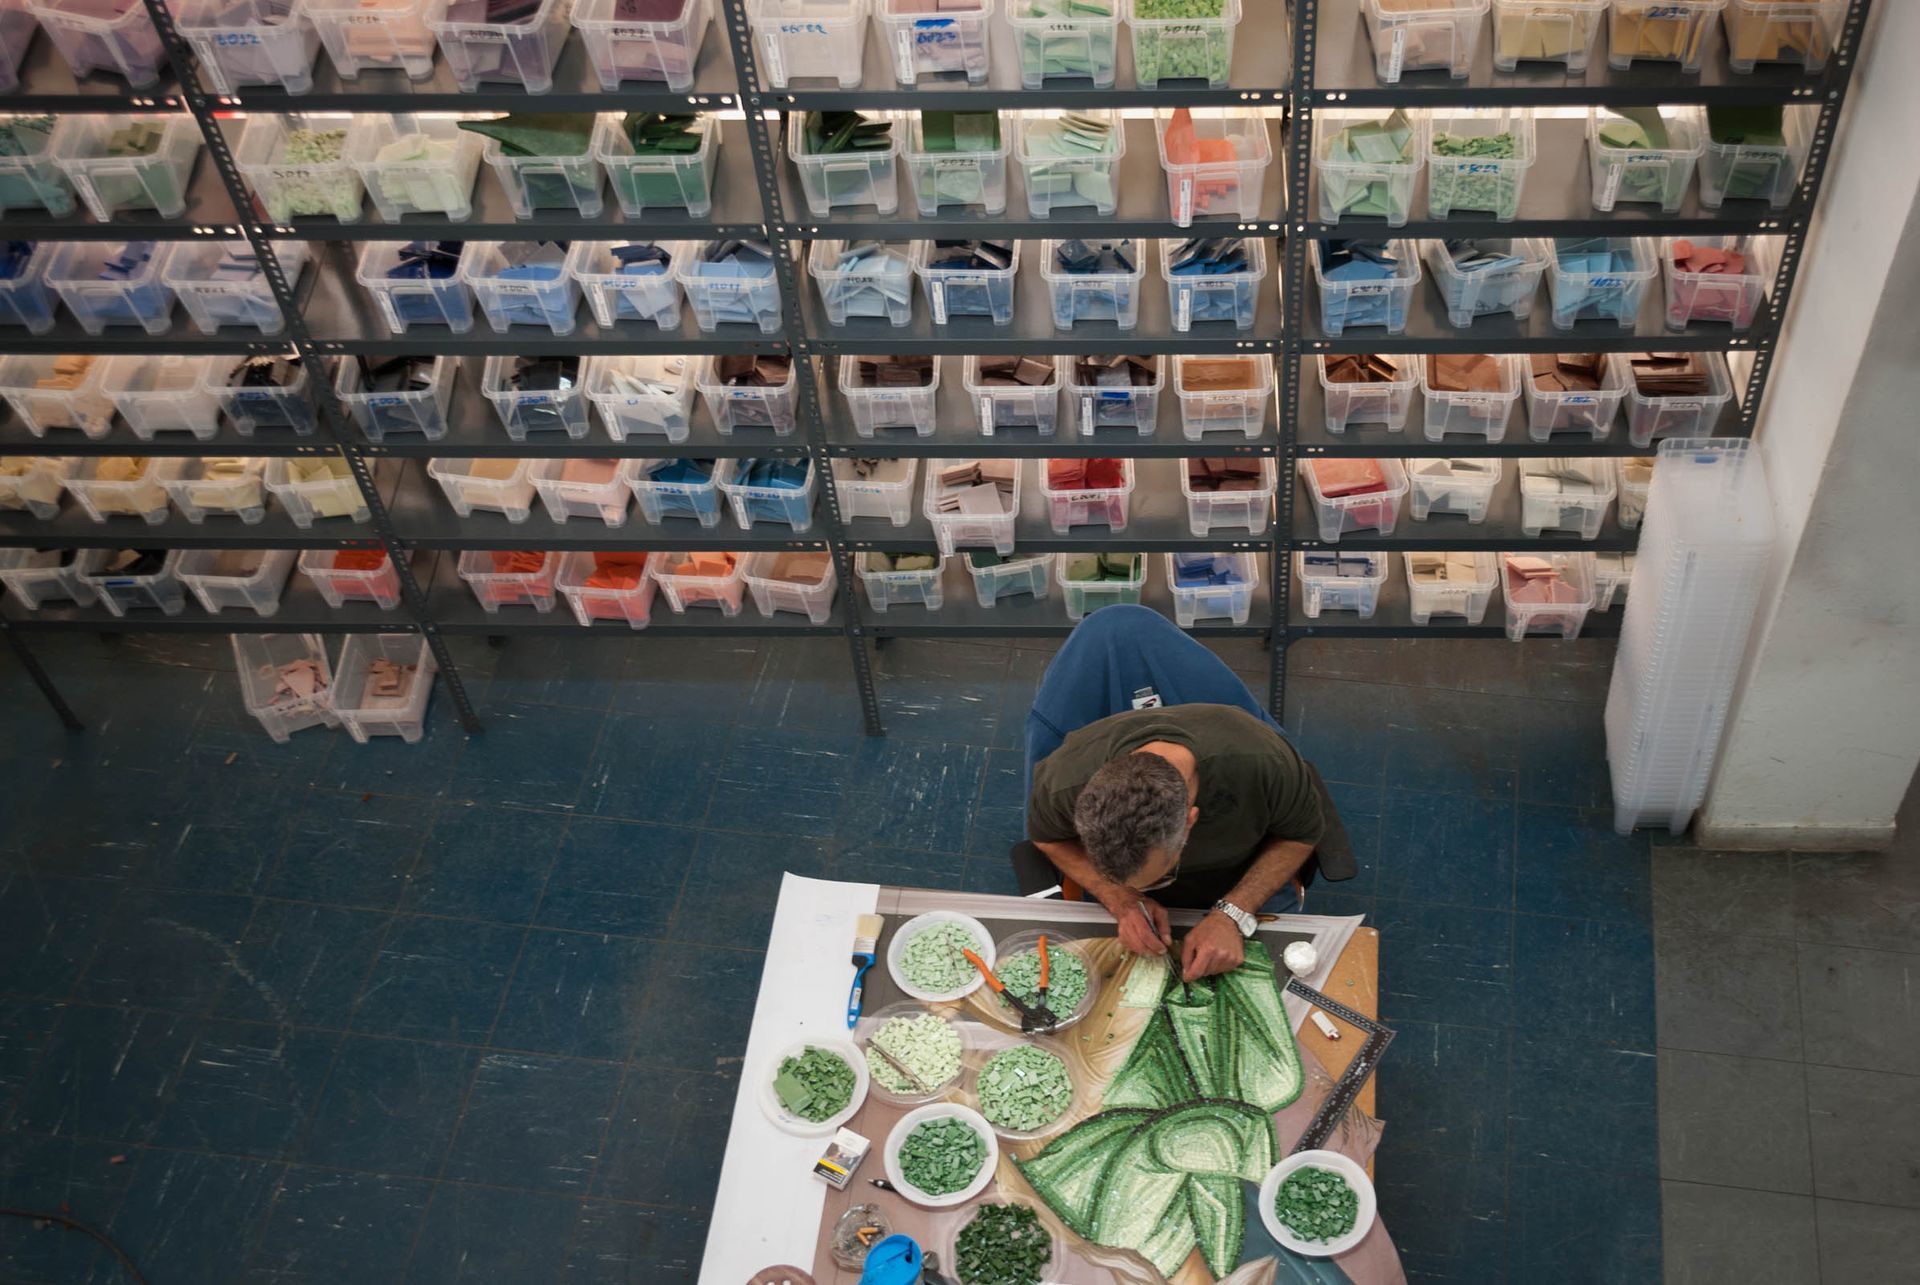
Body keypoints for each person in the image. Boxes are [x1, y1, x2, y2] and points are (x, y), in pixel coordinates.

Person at [1023, 702, 1352, 983]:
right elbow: (1048, 839)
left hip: (1239, 872)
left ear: (1190, 822)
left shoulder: (1263, 762)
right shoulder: (1063, 785)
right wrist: (1120, 899)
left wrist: (1232, 915)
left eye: (1160, 876)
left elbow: (1299, 835)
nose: (1150, 889)